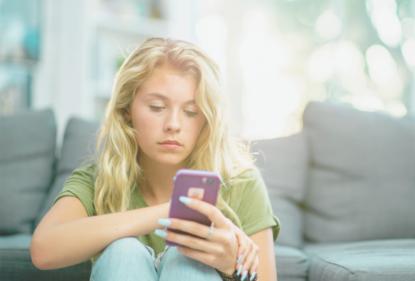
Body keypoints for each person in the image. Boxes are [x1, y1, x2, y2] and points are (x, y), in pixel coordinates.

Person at [30, 37, 280, 281]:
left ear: (206, 119)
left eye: (191, 112)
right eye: (157, 107)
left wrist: (231, 268)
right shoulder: (100, 178)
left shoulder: (240, 179)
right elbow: (43, 249)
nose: (173, 125)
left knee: (186, 261)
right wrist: (170, 213)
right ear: (127, 111)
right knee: (123, 252)